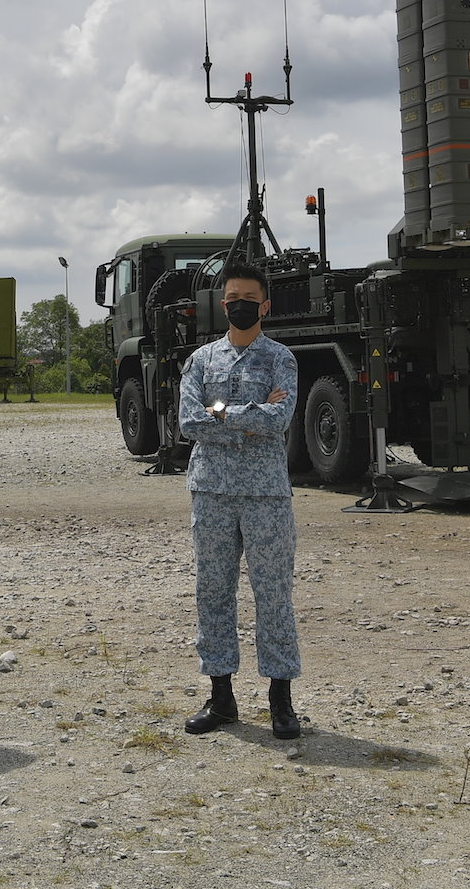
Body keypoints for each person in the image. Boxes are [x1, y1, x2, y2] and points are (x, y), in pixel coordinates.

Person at [176, 261, 303, 739]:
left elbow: (280, 419)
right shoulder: (200, 360)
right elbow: (189, 422)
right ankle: (221, 697)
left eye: (249, 299)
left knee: (273, 594)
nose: (240, 306)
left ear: (265, 306)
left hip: (265, 493)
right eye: (233, 299)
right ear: (222, 304)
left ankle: (281, 700)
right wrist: (250, 414)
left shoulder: (280, 359)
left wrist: (221, 415)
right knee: (212, 592)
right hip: (211, 491)